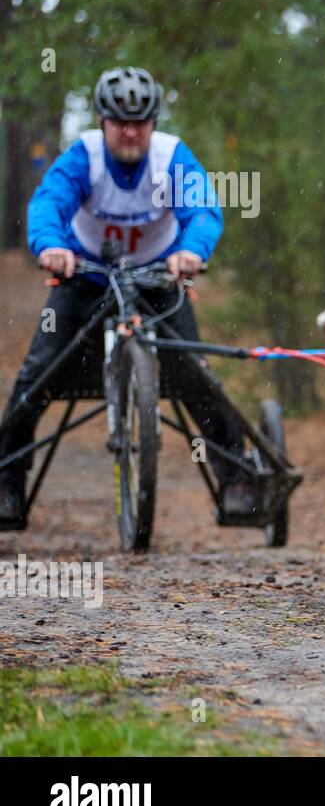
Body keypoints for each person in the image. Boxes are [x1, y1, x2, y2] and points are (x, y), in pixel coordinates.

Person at [0, 66, 253, 524]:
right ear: (102, 120)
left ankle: (236, 479)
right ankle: (7, 484)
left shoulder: (171, 157)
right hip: (85, 277)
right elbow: (47, 203)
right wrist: (50, 246)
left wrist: (191, 253)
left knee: (194, 374)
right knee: (36, 374)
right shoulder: (84, 156)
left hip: (159, 278)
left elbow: (202, 210)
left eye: (141, 122)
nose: (131, 131)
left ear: (154, 122)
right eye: (120, 121)